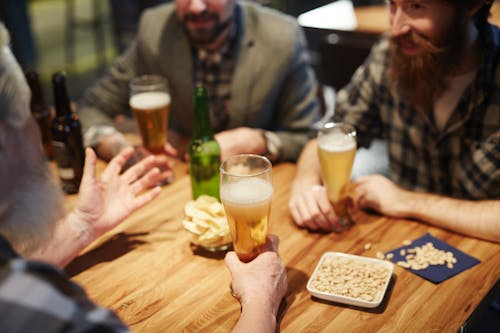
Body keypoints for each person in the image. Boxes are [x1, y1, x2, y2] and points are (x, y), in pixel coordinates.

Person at [0, 24, 287, 332]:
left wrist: (82, 225)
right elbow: (95, 103)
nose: (35, 130)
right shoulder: (56, 313)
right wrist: (260, 299)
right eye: (29, 116)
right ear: (5, 139)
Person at [289, 0, 500, 243]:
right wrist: (305, 184)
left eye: (416, 7)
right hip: (403, 242)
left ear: (470, 6)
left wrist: (405, 201)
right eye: (391, 5)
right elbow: (331, 132)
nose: (396, 28)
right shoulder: (391, 55)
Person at [79, 0, 319, 163]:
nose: (195, 6)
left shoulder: (282, 37)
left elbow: (308, 136)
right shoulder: (155, 29)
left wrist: (260, 140)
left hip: (254, 189)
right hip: (178, 186)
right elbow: (93, 106)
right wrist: (117, 148)